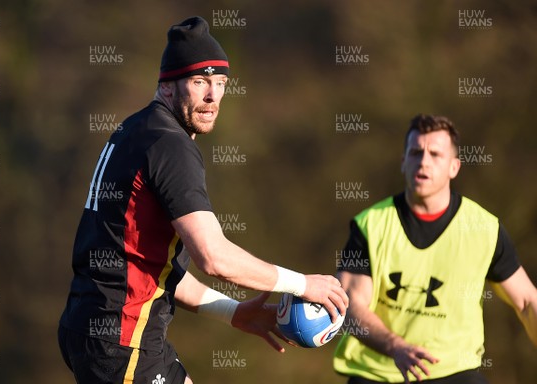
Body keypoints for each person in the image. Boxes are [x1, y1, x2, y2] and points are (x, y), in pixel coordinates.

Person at [58, 16, 349, 384]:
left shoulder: (133, 129)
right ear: (167, 85)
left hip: (94, 330)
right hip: (123, 342)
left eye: (221, 83)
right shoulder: (170, 146)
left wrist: (233, 312)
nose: (213, 97)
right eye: (199, 82)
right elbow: (213, 257)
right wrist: (303, 286)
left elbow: (149, 267)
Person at [333, 114, 537, 384]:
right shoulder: (370, 225)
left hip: (453, 371)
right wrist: (397, 347)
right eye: (416, 152)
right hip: (377, 372)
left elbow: (526, 302)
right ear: (403, 162)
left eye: (435, 154)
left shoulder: (484, 228)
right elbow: (349, 306)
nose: (424, 161)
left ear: (454, 167)